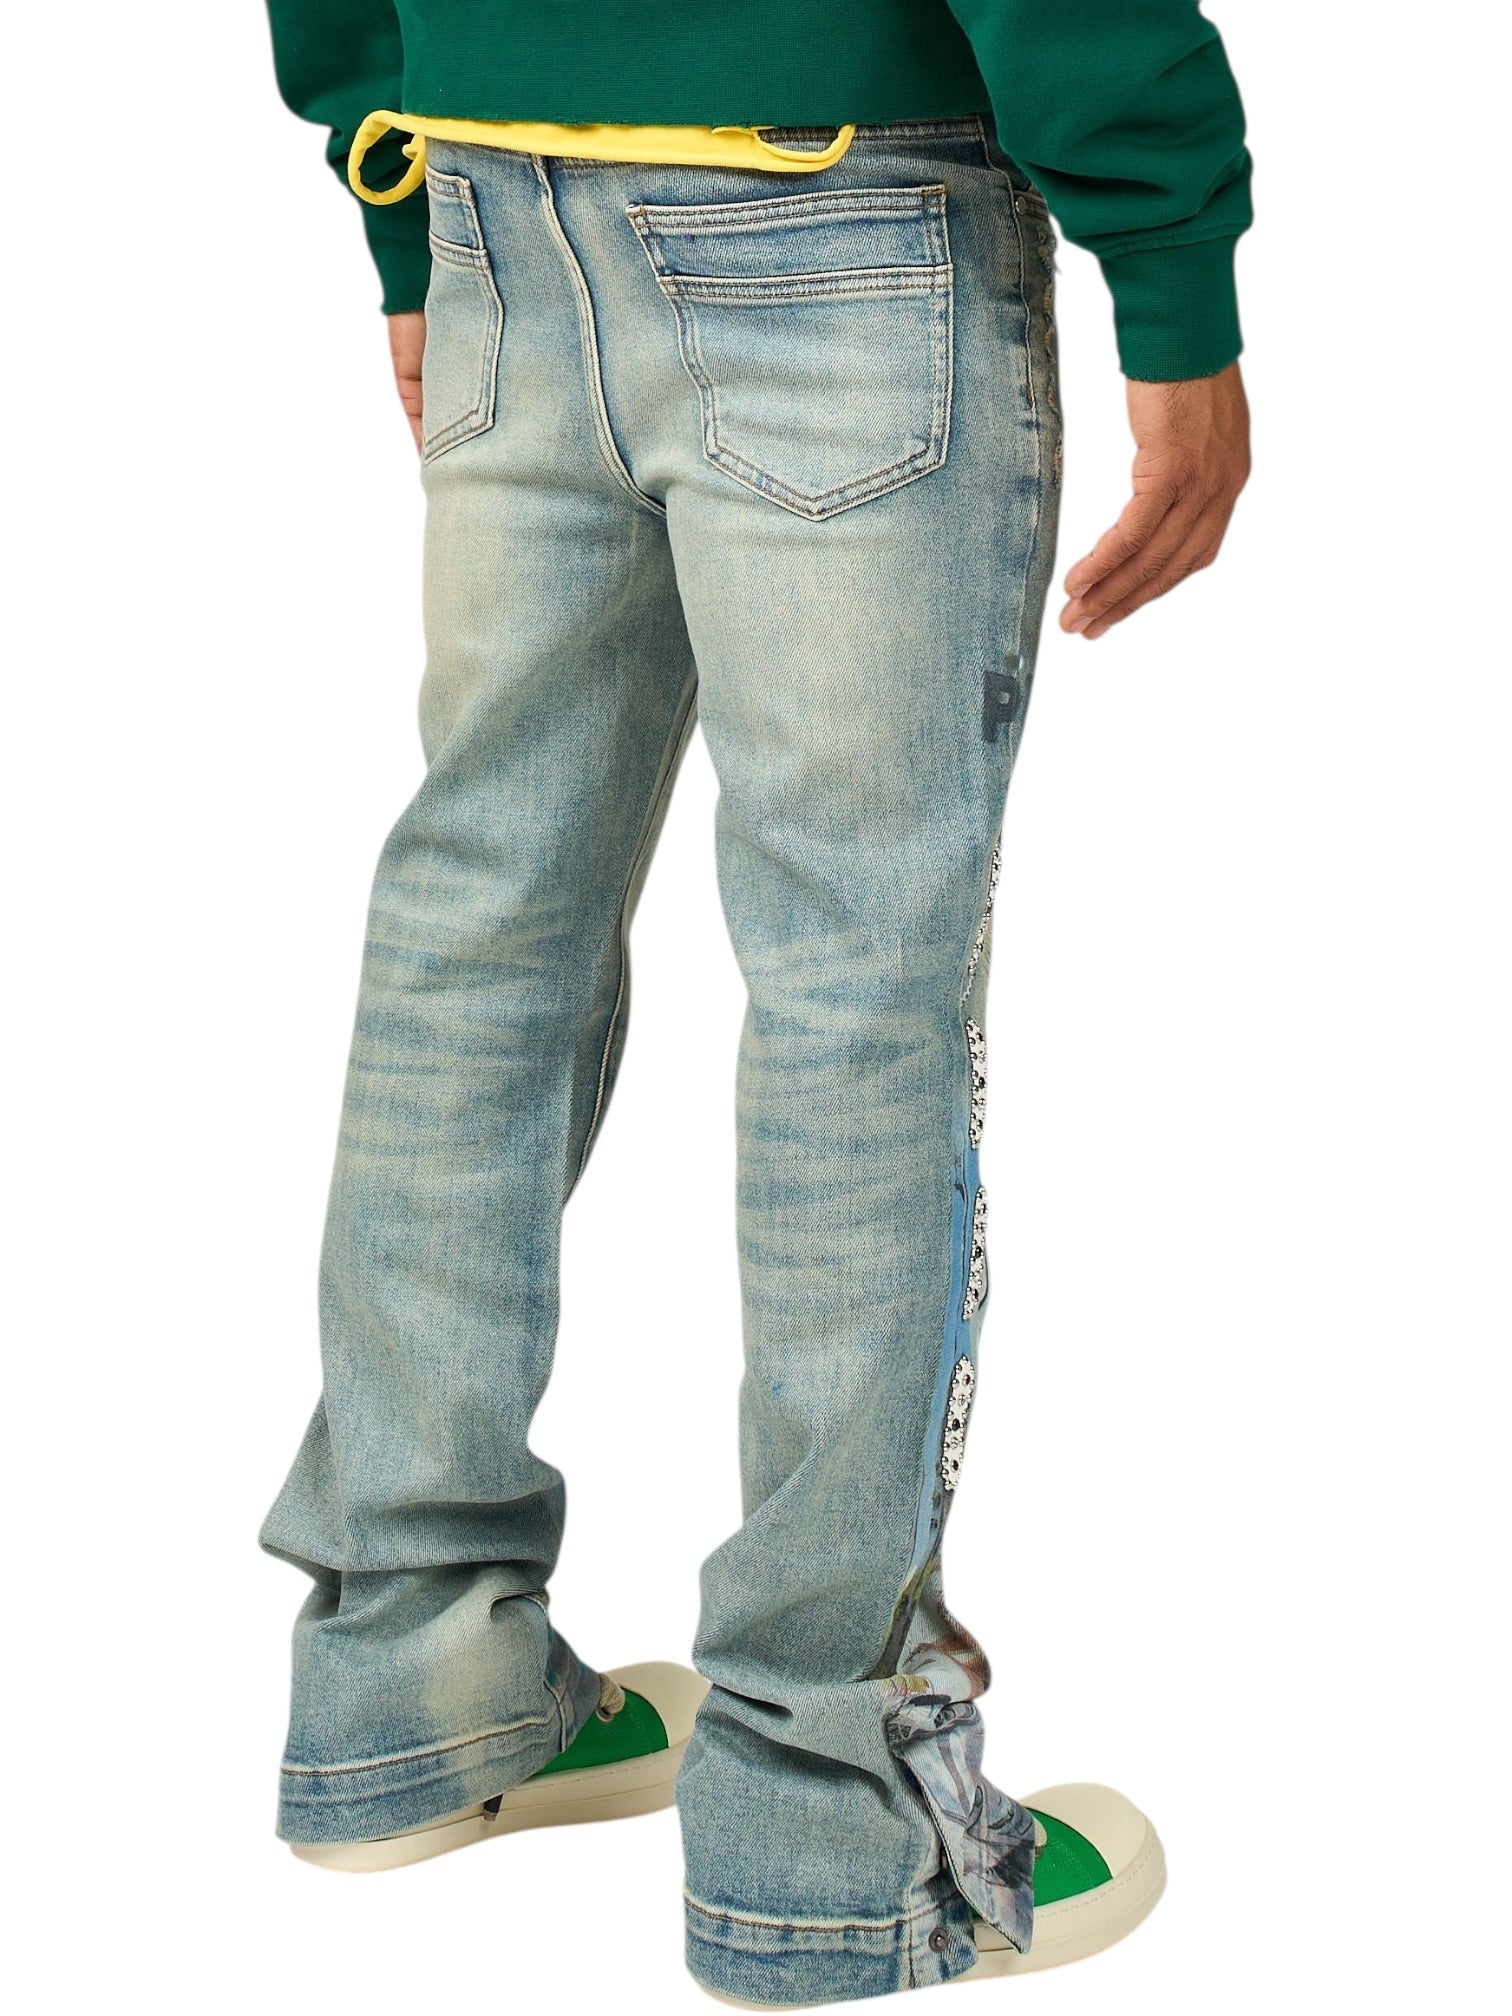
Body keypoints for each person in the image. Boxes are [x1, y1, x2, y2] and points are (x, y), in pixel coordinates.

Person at [256, 3, 1252, 2006]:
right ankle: (829, 1826)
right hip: (836, 200)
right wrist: (1173, 260)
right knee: (855, 980)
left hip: (493, 181)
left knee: (481, 923)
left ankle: (410, 1690)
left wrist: (394, 174)